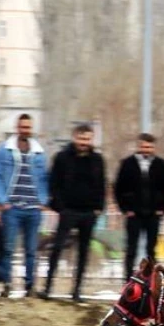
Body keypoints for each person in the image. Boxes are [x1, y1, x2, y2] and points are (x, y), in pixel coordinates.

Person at [42, 123, 105, 302]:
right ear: (74, 138)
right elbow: (53, 183)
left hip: (89, 213)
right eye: (80, 138)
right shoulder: (62, 157)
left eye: (87, 139)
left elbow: (101, 184)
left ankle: (76, 291)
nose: (83, 142)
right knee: (57, 247)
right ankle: (47, 287)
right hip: (68, 211)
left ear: (91, 139)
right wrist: (61, 207)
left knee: (83, 252)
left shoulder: (97, 159)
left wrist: (98, 208)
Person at [0, 113, 49, 297]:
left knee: (31, 250)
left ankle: (29, 286)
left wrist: (43, 200)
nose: (25, 130)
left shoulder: (39, 153)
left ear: (32, 129)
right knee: (8, 248)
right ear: (17, 128)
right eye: (23, 127)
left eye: (28, 127)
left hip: (33, 208)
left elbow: (45, 178)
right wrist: (2, 200)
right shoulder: (4, 150)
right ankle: (6, 285)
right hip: (12, 207)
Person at [115, 133, 164, 281]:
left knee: (151, 251)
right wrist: (125, 208)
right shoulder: (128, 163)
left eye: (149, 147)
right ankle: (127, 281)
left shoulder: (161, 164)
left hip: (154, 214)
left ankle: (149, 282)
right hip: (133, 214)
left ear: (154, 147)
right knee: (131, 250)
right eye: (144, 146)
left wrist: (163, 208)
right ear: (138, 146)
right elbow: (119, 187)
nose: (146, 150)